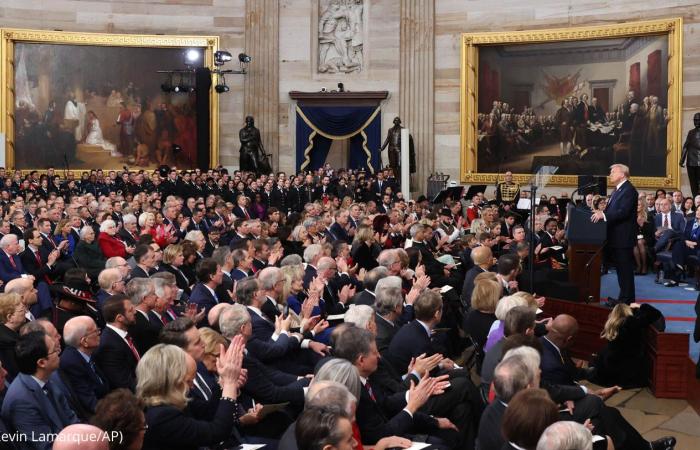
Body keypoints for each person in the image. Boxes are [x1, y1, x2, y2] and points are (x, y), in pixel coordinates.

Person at [138, 340, 245, 450]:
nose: (192, 386)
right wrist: (230, 383)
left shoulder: (170, 402)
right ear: (172, 381)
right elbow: (218, 431)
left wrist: (223, 383)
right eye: (189, 381)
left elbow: (207, 414)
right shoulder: (162, 416)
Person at [2, 331, 79, 450]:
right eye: (54, 350)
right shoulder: (21, 401)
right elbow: (46, 445)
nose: (59, 352)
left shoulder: (47, 378)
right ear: (42, 363)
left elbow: (71, 419)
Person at [591, 164, 638, 306]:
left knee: (625, 271)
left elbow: (623, 212)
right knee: (621, 271)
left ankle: (627, 301)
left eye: (612, 172)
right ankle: (624, 298)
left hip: (623, 238)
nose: (610, 174)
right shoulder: (618, 190)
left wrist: (603, 215)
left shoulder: (629, 190)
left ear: (622, 174)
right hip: (616, 237)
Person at [591, 303, 662, 388]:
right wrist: (640, 306)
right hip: (626, 373)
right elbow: (655, 314)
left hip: (611, 368)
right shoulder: (631, 323)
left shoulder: (612, 324)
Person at [680, 112, 700, 198]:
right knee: (693, 184)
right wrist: (682, 159)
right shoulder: (691, 132)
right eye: (695, 120)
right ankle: (696, 202)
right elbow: (685, 146)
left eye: (698, 120)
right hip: (691, 162)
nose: (696, 122)